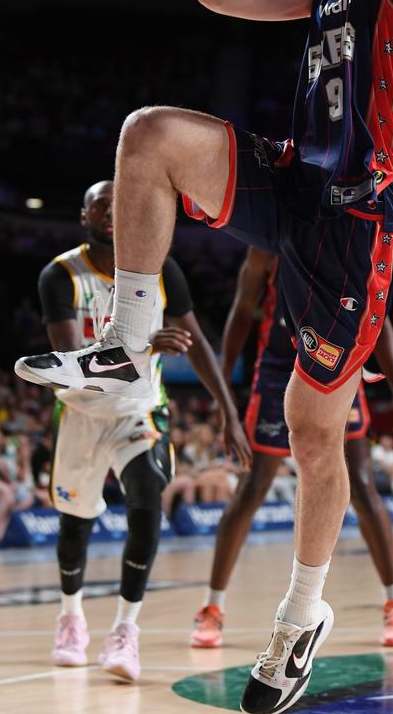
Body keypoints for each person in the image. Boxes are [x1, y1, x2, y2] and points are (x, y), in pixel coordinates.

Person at [15, 0, 393, 714]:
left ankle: (301, 614)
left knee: (311, 428)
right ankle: (124, 341)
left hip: (357, 219)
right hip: (294, 178)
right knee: (150, 137)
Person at [22, 180, 250, 683]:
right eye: (100, 205)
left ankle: (125, 631)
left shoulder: (161, 269)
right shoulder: (60, 276)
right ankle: (71, 618)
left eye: (119, 203)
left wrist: (228, 412)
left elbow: (196, 344)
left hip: (140, 411)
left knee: (148, 501)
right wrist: (149, 346)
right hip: (82, 412)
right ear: (84, 217)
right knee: (74, 524)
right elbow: (79, 366)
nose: (111, 211)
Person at [190, 246, 393, 650]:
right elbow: (243, 311)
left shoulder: (348, 236)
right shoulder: (268, 244)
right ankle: (212, 607)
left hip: (341, 361)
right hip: (280, 368)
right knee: (251, 489)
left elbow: (379, 317)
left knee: (364, 488)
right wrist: (223, 381)